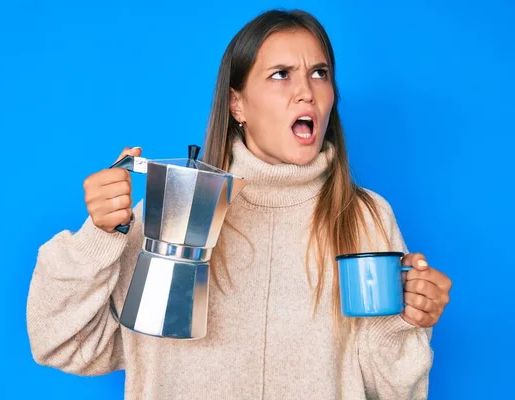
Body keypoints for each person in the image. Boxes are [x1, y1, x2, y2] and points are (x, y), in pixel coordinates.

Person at [26, 8, 452, 400]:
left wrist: (407, 322)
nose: (306, 92)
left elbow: (394, 391)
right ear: (237, 103)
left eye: (319, 73)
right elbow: (62, 343)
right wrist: (97, 238)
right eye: (281, 74)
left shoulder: (364, 219)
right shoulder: (176, 208)